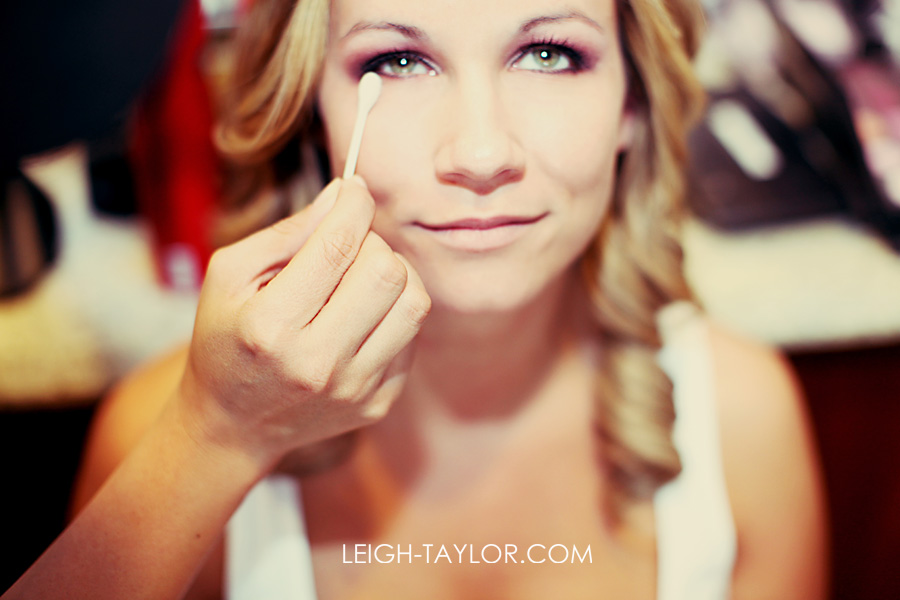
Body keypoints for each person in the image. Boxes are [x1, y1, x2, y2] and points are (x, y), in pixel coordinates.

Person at [3, 0, 828, 598]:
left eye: (548, 53)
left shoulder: (745, 425)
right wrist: (217, 440)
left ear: (633, 107)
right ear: (312, 114)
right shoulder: (165, 438)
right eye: (397, 62)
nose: (481, 153)